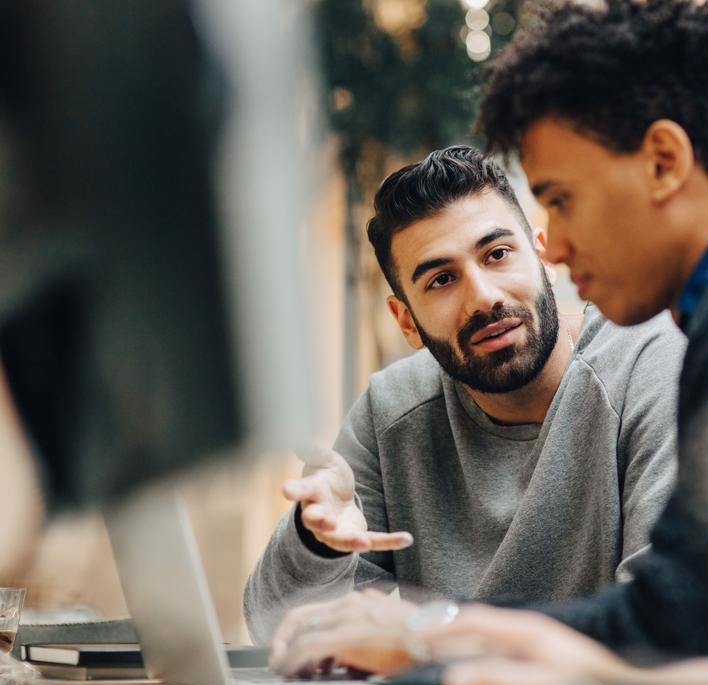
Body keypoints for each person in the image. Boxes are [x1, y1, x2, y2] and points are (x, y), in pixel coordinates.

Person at [270, 1, 708, 685]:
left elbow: (674, 627)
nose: (555, 247)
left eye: (561, 201)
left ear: (663, 162)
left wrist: (430, 631)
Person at [245, 146, 685, 644]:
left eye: (497, 254)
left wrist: (429, 638)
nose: (484, 297)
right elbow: (274, 631)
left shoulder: (650, 367)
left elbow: (664, 625)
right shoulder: (392, 410)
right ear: (406, 320)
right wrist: (316, 544)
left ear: (541, 257)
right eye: (441, 279)